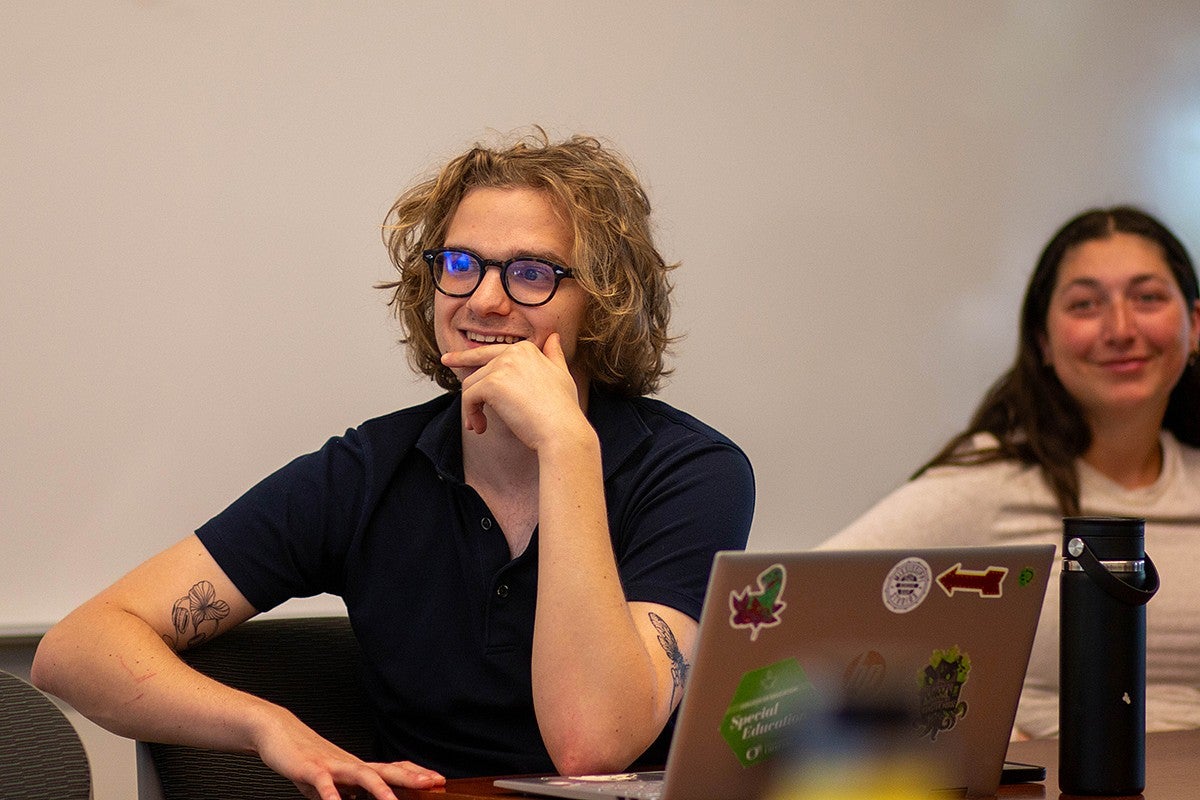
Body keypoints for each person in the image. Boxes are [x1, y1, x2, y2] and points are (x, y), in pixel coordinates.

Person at [31, 129, 755, 800]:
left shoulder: (691, 473)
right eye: (461, 265)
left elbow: (589, 744)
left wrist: (566, 446)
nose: (486, 299)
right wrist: (266, 725)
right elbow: (75, 649)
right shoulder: (368, 471)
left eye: (532, 273)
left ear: (601, 304)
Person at [820, 205, 1200, 739]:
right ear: (1043, 342)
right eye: (1086, 304)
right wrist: (958, 721)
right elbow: (806, 609)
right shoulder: (989, 486)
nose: (1120, 328)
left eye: (1148, 298)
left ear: (1195, 324)